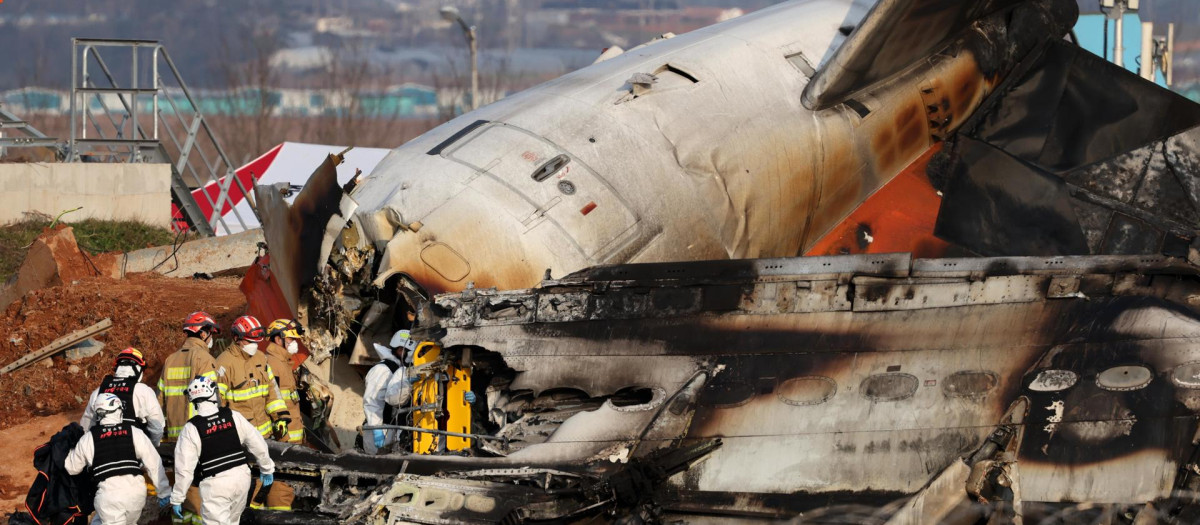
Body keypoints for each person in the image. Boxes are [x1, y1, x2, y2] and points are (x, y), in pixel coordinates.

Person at [170, 376, 274, 525]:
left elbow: (184, 468)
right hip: (241, 478)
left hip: (215, 486)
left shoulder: (191, 428)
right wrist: (267, 468)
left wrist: (177, 498)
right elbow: (257, 442)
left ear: (193, 400)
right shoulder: (232, 416)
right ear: (214, 394)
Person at [65, 393, 171, 525]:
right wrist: (164, 491)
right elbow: (154, 463)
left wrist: (68, 449)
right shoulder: (134, 432)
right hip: (136, 496)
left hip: (109, 498)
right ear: (119, 410)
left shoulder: (89, 438)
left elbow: (72, 468)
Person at [215, 315, 290, 439]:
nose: (254, 345)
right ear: (236, 338)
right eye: (249, 341)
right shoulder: (224, 364)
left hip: (266, 435)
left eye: (256, 341)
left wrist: (280, 417)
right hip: (242, 438)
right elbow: (218, 404)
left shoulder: (261, 358)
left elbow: (273, 391)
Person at [81, 348, 165, 446]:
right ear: (139, 370)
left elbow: (86, 427)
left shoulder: (98, 391)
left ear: (117, 368)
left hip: (103, 451)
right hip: (133, 452)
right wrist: (151, 446)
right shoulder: (143, 391)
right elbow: (157, 427)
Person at [158, 312, 221, 443]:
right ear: (203, 334)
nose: (211, 339)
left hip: (174, 436)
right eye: (211, 334)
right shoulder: (205, 359)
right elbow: (213, 398)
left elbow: (159, 399)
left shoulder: (170, 360)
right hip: (199, 433)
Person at [363, 329, 419, 454]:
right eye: (406, 351)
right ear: (399, 350)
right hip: (379, 429)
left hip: (392, 428)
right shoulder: (382, 369)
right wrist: (376, 429)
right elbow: (372, 401)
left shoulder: (401, 369)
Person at [263, 319, 304, 444]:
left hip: (294, 432)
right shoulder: (273, 364)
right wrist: (282, 436)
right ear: (278, 340)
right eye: (291, 339)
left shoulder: (283, 362)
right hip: (286, 439)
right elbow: (272, 401)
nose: (294, 343)